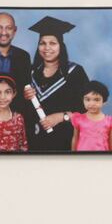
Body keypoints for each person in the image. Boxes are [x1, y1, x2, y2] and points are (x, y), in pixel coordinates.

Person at [23, 16, 90, 152]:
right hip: (33, 141)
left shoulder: (75, 72)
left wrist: (61, 117)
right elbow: (20, 110)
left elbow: (88, 111)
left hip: (66, 141)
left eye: (52, 43)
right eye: (42, 43)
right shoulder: (29, 72)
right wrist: (23, 97)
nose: (47, 48)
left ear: (61, 46)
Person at [70, 80, 112, 152]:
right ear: (83, 100)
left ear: (104, 102)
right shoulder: (78, 119)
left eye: (96, 100)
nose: (92, 104)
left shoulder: (110, 122)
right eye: (87, 99)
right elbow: (75, 139)